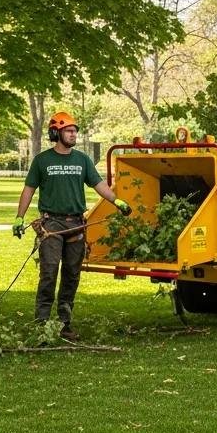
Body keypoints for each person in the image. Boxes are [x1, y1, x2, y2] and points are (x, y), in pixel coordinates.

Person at [13, 112, 131, 341]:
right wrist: (20, 217)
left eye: (75, 131)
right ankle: (42, 325)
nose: (73, 134)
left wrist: (116, 201)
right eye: (69, 131)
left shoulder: (82, 160)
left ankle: (64, 323)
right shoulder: (42, 161)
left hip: (76, 223)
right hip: (51, 224)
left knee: (71, 275)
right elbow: (28, 189)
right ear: (56, 133)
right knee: (49, 272)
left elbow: (98, 184)